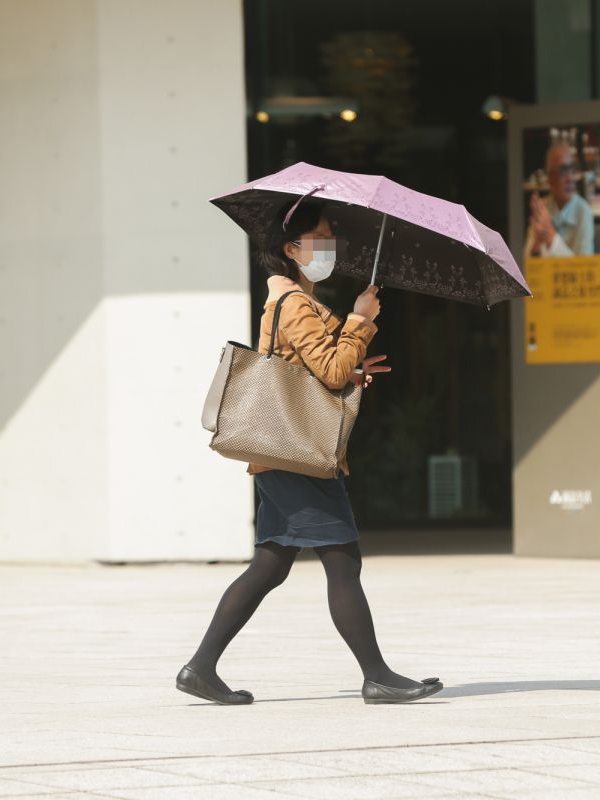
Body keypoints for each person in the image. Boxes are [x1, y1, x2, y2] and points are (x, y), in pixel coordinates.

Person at [176, 197, 443, 706]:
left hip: (279, 453)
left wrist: (354, 359)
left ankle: (201, 667)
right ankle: (378, 675)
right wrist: (361, 321)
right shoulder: (295, 303)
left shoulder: (296, 300)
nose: (329, 247)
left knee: (271, 565)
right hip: (298, 458)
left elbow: (312, 370)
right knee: (342, 560)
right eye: (320, 238)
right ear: (290, 247)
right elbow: (332, 371)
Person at [525, 140, 595, 258]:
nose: (570, 178)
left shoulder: (584, 211)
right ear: (549, 178)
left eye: (572, 169)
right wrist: (536, 245)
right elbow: (526, 266)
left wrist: (550, 236)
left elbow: (584, 269)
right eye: (563, 170)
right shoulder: (543, 208)